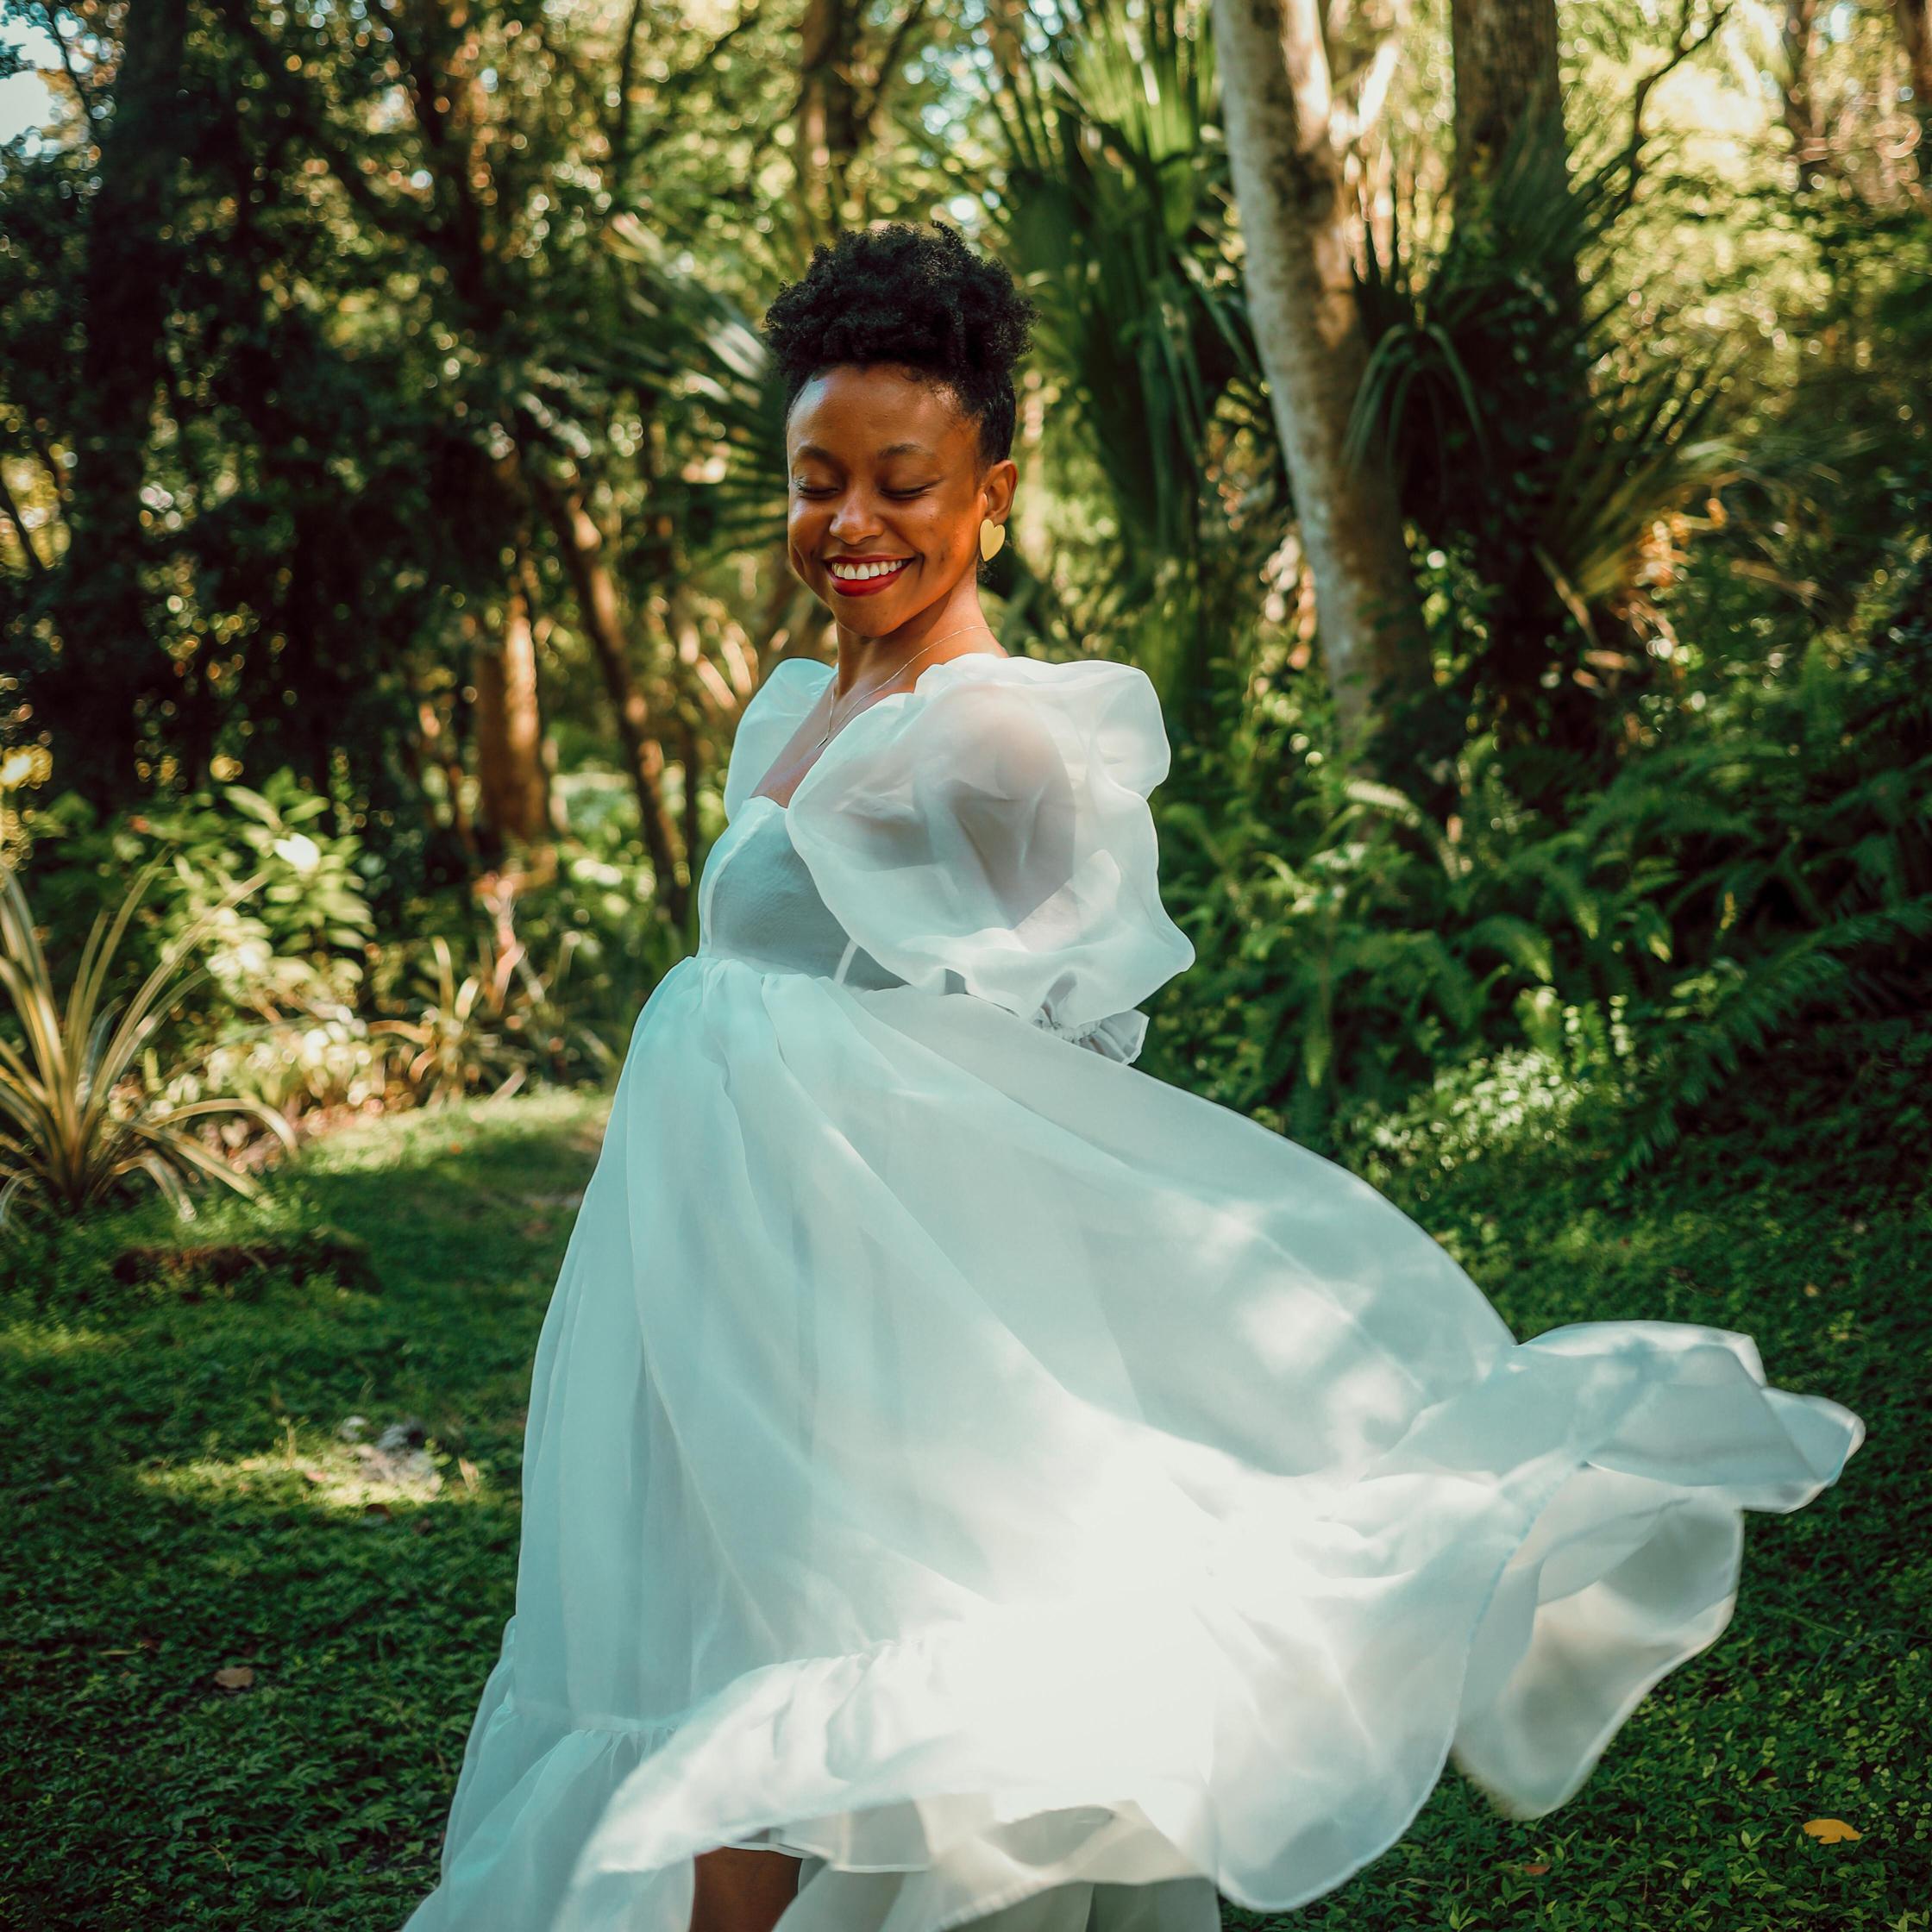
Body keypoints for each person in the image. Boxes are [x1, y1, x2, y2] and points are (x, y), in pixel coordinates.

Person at [399, 223, 1866, 1932]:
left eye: (903, 482)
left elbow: (1057, 1037)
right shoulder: (789, 705)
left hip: (856, 1288)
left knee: (793, 1678)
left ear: (992, 494)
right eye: (816, 480)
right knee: (679, 1634)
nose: (852, 521)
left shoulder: (1004, 732)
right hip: (706, 1263)